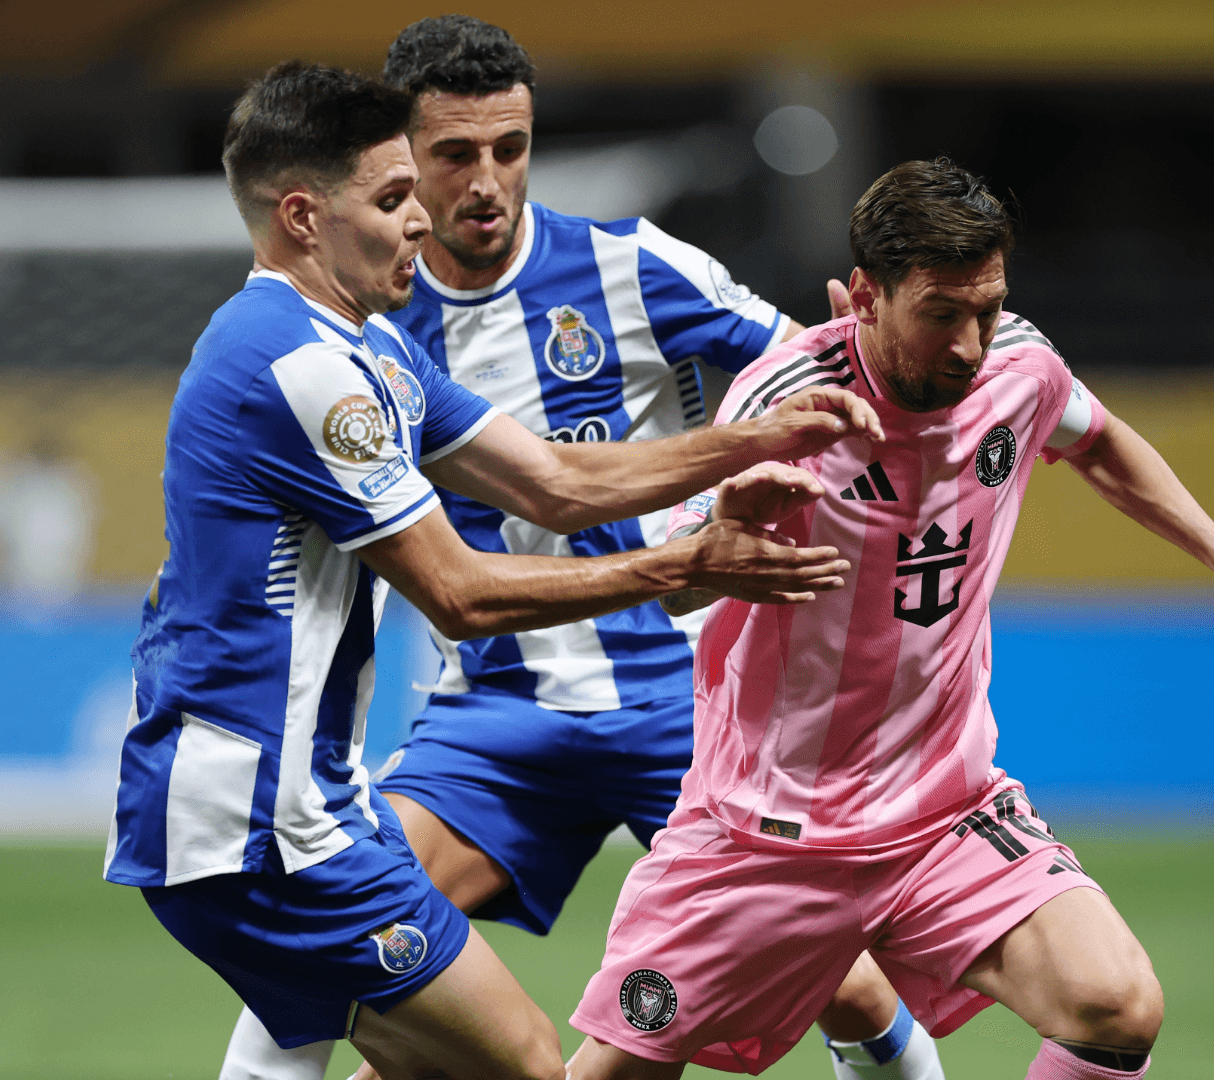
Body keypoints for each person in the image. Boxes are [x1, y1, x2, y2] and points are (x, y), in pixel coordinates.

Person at [108, 60, 885, 1080]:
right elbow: (461, 594)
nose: (419, 221)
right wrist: (688, 564)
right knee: (522, 1059)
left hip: (296, 801)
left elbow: (553, 480)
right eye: (394, 198)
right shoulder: (303, 369)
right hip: (262, 815)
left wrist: (757, 438)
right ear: (302, 217)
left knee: (373, 1056)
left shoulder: (369, 348)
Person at [565, 159, 1214, 1079]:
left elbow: (1100, 440)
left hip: (944, 815)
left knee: (1115, 1003)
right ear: (866, 298)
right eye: (941, 314)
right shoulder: (784, 400)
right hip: (771, 834)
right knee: (616, 1069)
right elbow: (674, 585)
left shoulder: (1019, 367)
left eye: (986, 309)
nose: (968, 345)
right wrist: (727, 536)